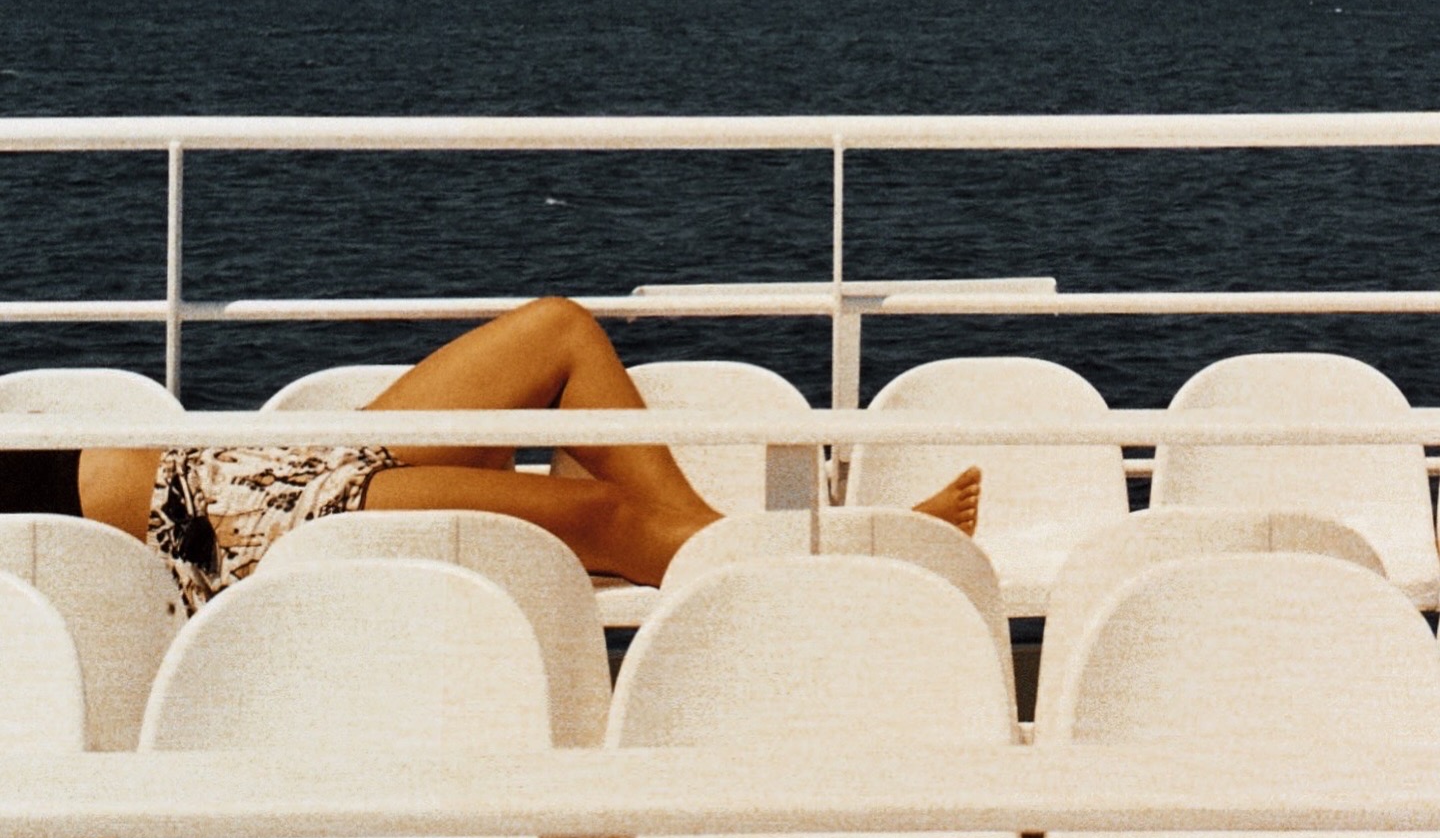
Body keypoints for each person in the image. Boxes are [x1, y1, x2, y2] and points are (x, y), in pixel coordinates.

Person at [71, 298, 981, 610]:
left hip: (247, 462)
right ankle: (831, 557)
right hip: (222, 527)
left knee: (559, 331)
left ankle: (713, 541)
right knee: (596, 517)